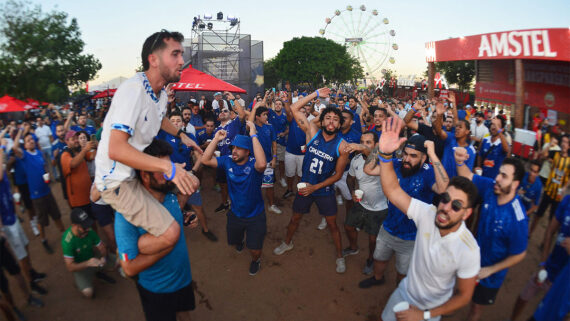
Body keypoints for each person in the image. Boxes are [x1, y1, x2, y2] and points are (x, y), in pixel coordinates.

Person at [94, 30, 200, 259]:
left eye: (181, 54)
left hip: (135, 170)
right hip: (118, 179)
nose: (182, 61)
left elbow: (158, 117)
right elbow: (116, 149)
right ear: (153, 59)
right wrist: (167, 168)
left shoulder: (160, 93)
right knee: (171, 234)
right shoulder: (133, 90)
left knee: (192, 182)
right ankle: (129, 255)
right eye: (175, 54)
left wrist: (182, 134)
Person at [374, 117, 480, 321]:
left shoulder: (469, 249)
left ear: (467, 214)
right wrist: (385, 155)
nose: (446, 207)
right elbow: (393, 190)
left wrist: (424, 314)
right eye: (446, 199)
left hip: (430, 311)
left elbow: (464, 296)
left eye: (456, 205)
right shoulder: (427, 213)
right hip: (404, 294)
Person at [116, 139, 197, 321]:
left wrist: (185, 216)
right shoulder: (127, 213)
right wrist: (168, 245)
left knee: (184, 313)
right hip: (157, 290)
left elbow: (191, 187)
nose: (170, 174)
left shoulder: (169, 195)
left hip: (182, 279)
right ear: (145, 176)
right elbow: (129, 268)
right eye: (164, 170)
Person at [273, 88, 351, 274]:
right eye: (328, 118)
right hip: (305, 187)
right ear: (322, 120)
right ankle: (287, 243)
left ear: (339, 124)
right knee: (295, 218)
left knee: (332, 224)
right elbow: (293, 107)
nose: (331, 121)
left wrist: (316, 186)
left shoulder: (342, 146)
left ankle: (340, 256)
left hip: (323, 190)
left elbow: (338, 175)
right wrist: (315, 94)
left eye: (335, 119)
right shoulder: (312, 133)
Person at [359, 133, 448, 288]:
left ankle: (400, 292)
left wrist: (432, 153)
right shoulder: (396, 163)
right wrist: (381, 146)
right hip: (388, 228)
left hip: (411, 237)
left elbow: (443, 188)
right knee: (379, 258)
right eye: (405, 154)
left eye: (414, 156)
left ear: (423, 158)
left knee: (403, 270)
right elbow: (368, 169)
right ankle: (378, 278)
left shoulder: (428, 173)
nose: (407, 159)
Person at [455, 150, 528, 321]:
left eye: (504, 176)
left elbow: (520, 253)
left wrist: (490, 270)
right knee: (458, 290)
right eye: (499, 173)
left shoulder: (517, 219)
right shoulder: (490, 188)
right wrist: (459, 162)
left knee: (475, 307)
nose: (497, 178)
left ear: (515, 184)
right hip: (471, 259)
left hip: (489, 276)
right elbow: (467, 175)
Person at [202, 124, 267, 275]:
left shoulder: (253, 165)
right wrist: (216, 139)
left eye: (238, 148)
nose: (234, 151)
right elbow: (205, 161)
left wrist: (253, 134)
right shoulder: (227, 161)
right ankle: (240, 241)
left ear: (248, 152)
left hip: (255, 216)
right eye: (233, 148)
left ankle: (256, 260)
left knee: (255, 250)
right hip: (235, 214)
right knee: (235, 240)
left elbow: (262, 163)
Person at [156, 112, 217, 242]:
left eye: (178, 120)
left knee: (198, 207)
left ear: (183, 124)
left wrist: (193, 171)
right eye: (173, 120)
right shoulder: (162, 135)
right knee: (172, 206)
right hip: (169, 178)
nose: (176, 123)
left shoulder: (189, 137)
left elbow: (199, 156)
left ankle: (205, 229)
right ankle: (173, 233)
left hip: (188, 177)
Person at [510, 192, 569, 321]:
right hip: (549, 267)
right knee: (525, 295)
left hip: (563, 282)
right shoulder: (567, 201)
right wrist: (543, 263)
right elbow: (550, 231)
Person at [0, 145, 48, 296]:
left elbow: (5, 169)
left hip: (12, 218)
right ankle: (31, 283)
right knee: (20, 254)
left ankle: (31, 272)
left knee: (25, 246)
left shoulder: (3, 168)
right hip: (6, 224)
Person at [342, 131, 388, 275]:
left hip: (379, 208)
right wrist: (352, 193)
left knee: (373, 239)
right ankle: (353, 247)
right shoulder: (356, 160)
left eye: (368, 142)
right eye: (362, 141)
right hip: (361, 204)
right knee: (348, 226)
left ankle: (370, 259)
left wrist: (363, 148)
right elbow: (350, 179)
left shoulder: (382, 160)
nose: (363, 144)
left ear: (376, 145)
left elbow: (370, 154)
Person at [12, 129, 65, 254]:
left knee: (56, 215)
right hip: (36, 195)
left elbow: (44, 166)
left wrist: (46, 173)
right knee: (41, 220)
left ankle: (64, 235)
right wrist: (21, 130)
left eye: (31, 139)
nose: (31, 141)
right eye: (28, 141)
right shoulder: (24, 155)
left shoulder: (39, 153)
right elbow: (14, 147)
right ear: (24, 145)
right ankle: (43, 240)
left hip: (47, 191)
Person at [62, 208, 115, 299]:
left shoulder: (89, 231)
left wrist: (103, 257)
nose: (88, 229)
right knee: (88, 293)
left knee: (119, 261)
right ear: (74, 225)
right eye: (84, 227)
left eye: (87, 225)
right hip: (81, 266)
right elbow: (70, 267)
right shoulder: (67, 241)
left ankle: (98, 271)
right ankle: (82, 281)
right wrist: (88, 263)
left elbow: (101, 247)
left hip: (93, 257)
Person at [212, 91, 247, 213]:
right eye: (221, 111)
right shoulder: (216, 130)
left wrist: (233, 100)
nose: (222, 112)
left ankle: (236, 205)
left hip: (234, 160)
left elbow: (242, 114)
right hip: (222, 160)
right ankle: (224, 203)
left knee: (235, 183)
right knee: (222, 184)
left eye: (225, 111)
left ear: (231, 114)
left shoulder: (234, 124)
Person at [531, 134, 569, 236]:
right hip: (548, 190)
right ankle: (529, 233)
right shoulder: (555, 153)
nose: (564, 144)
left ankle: (545, 241)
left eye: (566, 142)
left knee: (552, 219)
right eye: (563, 142)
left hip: (558, 195)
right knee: (538, 214)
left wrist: (565, 187)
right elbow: (543, 155)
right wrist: (549, 146)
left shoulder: (569, 160)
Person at [249, 101, 281, 214]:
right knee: (254, 185)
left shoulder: (270, 127)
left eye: (267, 114)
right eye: (264, 115)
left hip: (268, 160)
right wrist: (254, 108)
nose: (266, 116)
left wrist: (274, 158)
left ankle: (271, 204)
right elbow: (248, 120)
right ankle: (253, 206)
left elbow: (274, 143)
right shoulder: (251, 127)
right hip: (254, 162)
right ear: (257, 117)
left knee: (269, 185)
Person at [267, 98, 289, 188]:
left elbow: (288, 128)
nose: (278, 106)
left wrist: (284, 133)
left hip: (281, 142)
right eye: (276, 104)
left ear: (282, 106)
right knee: (270, 160)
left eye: (280, 104)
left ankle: (282, 178)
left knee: (281, 162)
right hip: (270, 142)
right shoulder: (270, 113)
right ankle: (272, 177)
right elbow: (264, 104)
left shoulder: (285, 115)